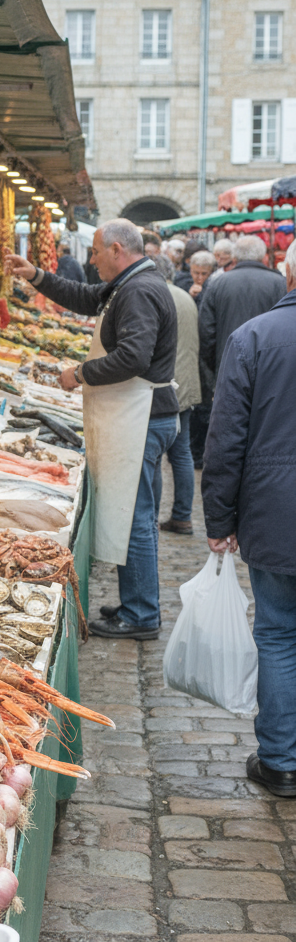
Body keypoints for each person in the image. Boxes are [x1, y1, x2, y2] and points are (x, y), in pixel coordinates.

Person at [4, 218, 178, 640]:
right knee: (135, 514)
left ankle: (141, 614)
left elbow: (134, 357)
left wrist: (80, 372)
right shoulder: (130, 282)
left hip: (142, 418)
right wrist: (37, 275)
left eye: (97, 252)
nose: (92, 259)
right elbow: (84, 297)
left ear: (118, 249)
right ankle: (139, 601)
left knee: (133, 516)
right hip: (141, 416)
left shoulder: (138, 290)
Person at [201, 241, 296, 798]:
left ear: (286, 272)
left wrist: (219, 517)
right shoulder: (254, 335)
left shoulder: (255, 337)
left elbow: (226, 439)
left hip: (274, 509)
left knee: (280, 634)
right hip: (273, 504)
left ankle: (282, 759)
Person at [198, 234, 286, 389]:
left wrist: (216, 366)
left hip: (229, 369)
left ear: (234, 256)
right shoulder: (280, 284)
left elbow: (206, 333)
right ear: (263, 256)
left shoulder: (217, 284)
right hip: (271, 371)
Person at [153, 261, 201, 534]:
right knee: (181, 453)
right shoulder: (185, 296)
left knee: (157, 455)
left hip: (163, 385)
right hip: (186, 384)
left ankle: (152, 516)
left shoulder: (154, 294)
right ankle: (182, 515)